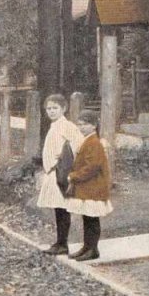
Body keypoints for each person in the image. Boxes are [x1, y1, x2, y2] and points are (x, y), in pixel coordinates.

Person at [37, 94, 83, 255]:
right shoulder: (54, 126)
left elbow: (78, 145)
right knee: (58, 208)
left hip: (61, 171)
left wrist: (66, 163)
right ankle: (59, 241)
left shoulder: (67, 126)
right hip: (52, 172)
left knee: (63, 208)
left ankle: (63, 244)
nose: (51, 111)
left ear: (63, 109)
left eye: (55, 108)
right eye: (48, 108)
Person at [66, 109, 113, 261]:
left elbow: (91, 167)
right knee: (87, 218)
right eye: (79, 124)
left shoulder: (94, 142)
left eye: (86, 124)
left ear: (94, 126)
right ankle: (86, 247)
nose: (82, 127)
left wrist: (73, 176)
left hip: (94, 187)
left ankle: (93, 249)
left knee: (92, 219)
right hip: (87, 187)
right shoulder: (87, 140)